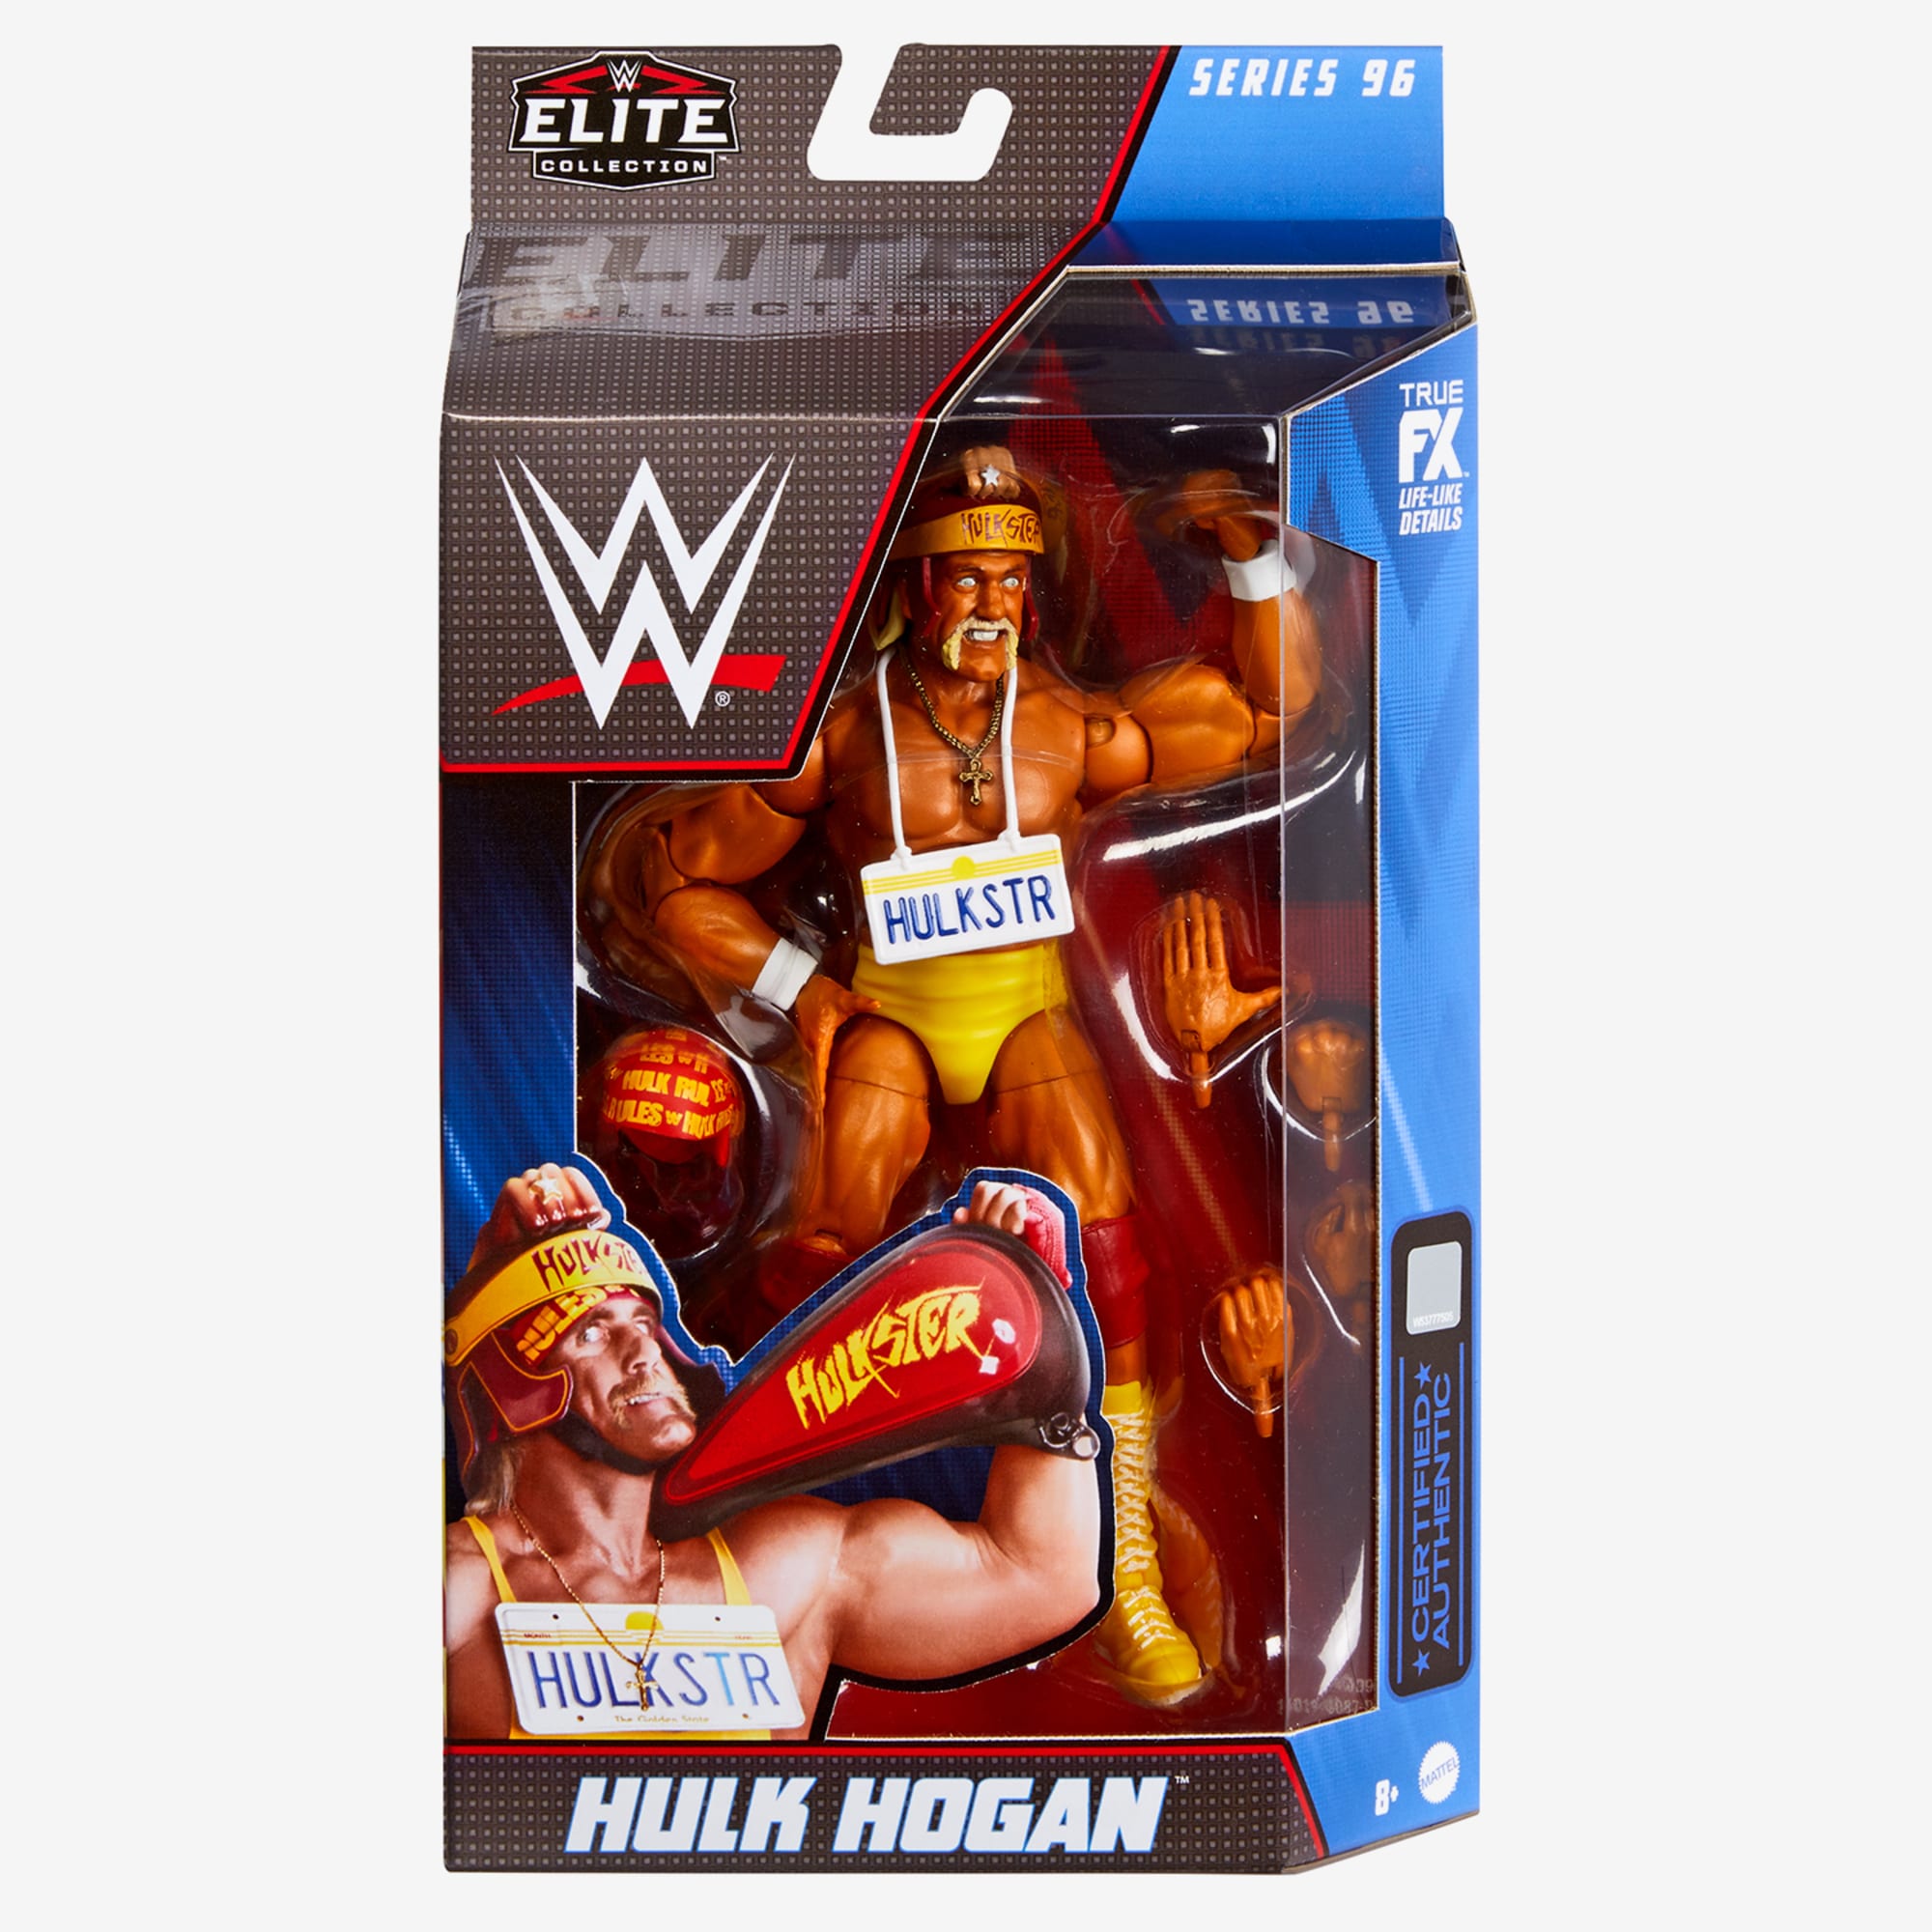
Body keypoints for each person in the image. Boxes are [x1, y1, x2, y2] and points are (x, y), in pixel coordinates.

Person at [584, 446, 1319, 1701]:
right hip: (894, 1020)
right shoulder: (844, 735)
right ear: (918, 589)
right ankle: (727, 1508)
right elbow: (668, 877)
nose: (993, 604)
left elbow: (1266, 715)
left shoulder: (1070, 727)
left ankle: (1122, 1567)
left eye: (1012, 580)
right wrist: (800, 991)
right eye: (968, 578)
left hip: (1025, 1017)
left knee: (1101, 1223)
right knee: (834, 1227)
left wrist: (1253, 555)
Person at [444, 1163, 1100, 1741]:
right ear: (514, 1385)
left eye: (645, 1323)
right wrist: (486, 1290)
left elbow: (1046, 1580)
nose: (643, 1351)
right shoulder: (462, 1586)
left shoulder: (780, 1570)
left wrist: (1038, 1331)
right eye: (590, 1332)